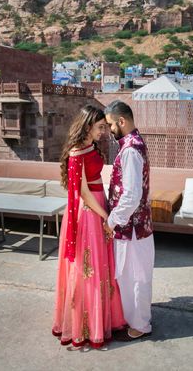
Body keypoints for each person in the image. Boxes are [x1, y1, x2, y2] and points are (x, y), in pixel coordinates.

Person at [52, 105, 126, 349]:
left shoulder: (90, 147)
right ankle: (86, 326)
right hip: (89, 214)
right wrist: (106, 215)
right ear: (87, 126)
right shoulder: (76, 153)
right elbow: (83, 192)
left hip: (98, 205)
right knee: (89, 269)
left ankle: (101, 319)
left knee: (100, 267)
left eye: (105, 127)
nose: (104, 131)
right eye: (100, 127)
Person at [103, 100, 155, 341]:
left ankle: (140, 324)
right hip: (134, 226)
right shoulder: (132, 145)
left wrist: (111, 221)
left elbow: (132, 195)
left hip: (132, 228)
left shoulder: (131, 150)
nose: (110, 130)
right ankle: (135, 319)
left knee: (135, 277)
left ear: (121, 121)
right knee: (131, 275)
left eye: (111, 125)